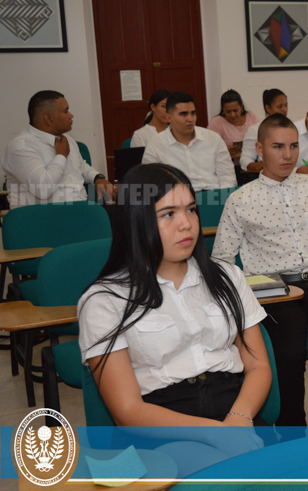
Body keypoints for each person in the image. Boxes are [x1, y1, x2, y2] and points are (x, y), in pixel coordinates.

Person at [78, 163, 270, 471]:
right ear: (136, 221)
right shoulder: (105, 300)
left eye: (191, 210)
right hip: (159, 427)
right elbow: (127, 410)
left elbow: (258, 364)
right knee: (230, 476)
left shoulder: (228, 276)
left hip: (233, 410)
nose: (187, 225)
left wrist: (238, 419)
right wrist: (218, 434)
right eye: (168, 214)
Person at [212, 114, 308, 427]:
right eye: (278, 147)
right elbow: (221, 260)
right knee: (288, 354)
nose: (287, 155)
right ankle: (292, 429)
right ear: (260, 150)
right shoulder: (240, 200)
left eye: (293, 146)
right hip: (276, 290)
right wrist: (250, 290)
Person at [3, 90, 115, 208]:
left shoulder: (66, 139)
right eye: (66, 111)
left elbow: (80, 166)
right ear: (49, 119)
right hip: (41, 219)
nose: (71, 115)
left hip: (78, 211)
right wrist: (61, 156)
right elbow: (43, 189)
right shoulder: (21, 147)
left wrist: (97, 178)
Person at [142, 91, 237, 191]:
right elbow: (149, 182)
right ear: (169, 118)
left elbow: (227, 177)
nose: (190, 119)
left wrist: (219, 198)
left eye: (193, 113)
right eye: (183, 114)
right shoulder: (156, 144)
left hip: (213, 195)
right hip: (178, 200)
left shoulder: (213, 138)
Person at [208, 89, 260, 168]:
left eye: (235, 110)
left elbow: (262, 139)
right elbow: (209, 149)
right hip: (228, 167)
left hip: (252, 165)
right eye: (228, 111)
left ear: (241, 106)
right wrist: (224, 152)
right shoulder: (217, 122)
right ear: (222, 109)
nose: (232, 115)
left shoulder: (252, 117)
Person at [240, 89, 289, 172]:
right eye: (279, 106)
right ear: (268, 108)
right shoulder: (256, 130)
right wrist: (254, 165)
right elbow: (245, 158)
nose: (284, 109)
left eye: (286, 105)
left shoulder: (293, 127)